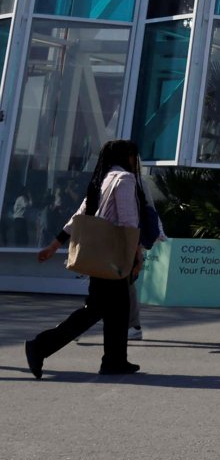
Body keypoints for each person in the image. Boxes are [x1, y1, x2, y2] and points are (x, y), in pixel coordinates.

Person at [25, 140, 145, 378]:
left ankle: (115, 360)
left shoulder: (101, 179)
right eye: (134, 156)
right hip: (113, 256)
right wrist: (136, 255)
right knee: (97, 310)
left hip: (97, 255)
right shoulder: (125, 180)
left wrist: (55, 244)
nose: (135, 161)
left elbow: (80, 215)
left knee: (117, 310)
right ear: (127, 156)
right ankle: (40, 346)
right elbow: (128, 222)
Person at [128, 158, 165, 340]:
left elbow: (148, 210)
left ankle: (133, 325)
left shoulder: (136, 181)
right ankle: (132, 325)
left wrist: (138, 246)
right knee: (125, 283)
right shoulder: (126, 179)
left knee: (126, 282)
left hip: (130, 238)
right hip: (126, 238)